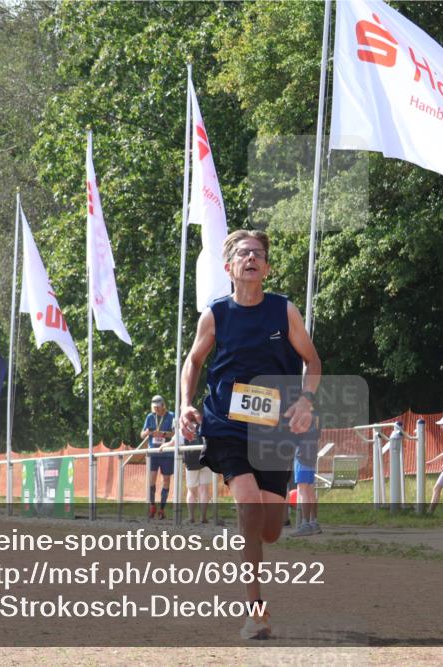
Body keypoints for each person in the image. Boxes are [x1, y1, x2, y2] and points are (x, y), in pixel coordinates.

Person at [179, 229, 321, 639]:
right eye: (244, 254)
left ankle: (259, 540)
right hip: (225, 426)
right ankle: (256, 612)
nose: (252, 259)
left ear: (267, 268)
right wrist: (187, 402)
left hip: (272, 428)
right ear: (229, 268)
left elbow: (312, 362)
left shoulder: (283, 311)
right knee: (246, 504)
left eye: (258, 254)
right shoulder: (216, 315)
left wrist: (305, 401)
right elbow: (193, 360)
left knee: (271, 528)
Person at [141, 395, 175, 520]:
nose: (157, 410)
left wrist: (164, 434)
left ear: (163, 405)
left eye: (158, 408)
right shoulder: (150, 417)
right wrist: (148, 432)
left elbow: (176, 433)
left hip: (167, 453)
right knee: (151, 480)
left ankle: (162, 509)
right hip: (153, 452)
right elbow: (142, 434)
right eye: (154, 408)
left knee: (166, 480)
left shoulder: (172, 415)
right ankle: (152, 506)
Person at [289, 428, 321, 537]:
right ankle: (314, 523)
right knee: (310, 490)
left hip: (302, 455)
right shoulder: (316, 416)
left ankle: (305, 525)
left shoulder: (301, 415)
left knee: (302, 490)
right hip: (311, 454)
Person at [181, 434, 212, 524]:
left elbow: (174, 442)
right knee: (204, 490)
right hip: (205, 460)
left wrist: (163, 446)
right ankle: (203, 517)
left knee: (191, 491)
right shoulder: (205, 424)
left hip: (191, 463)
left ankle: (191, 517)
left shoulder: (183, 427)